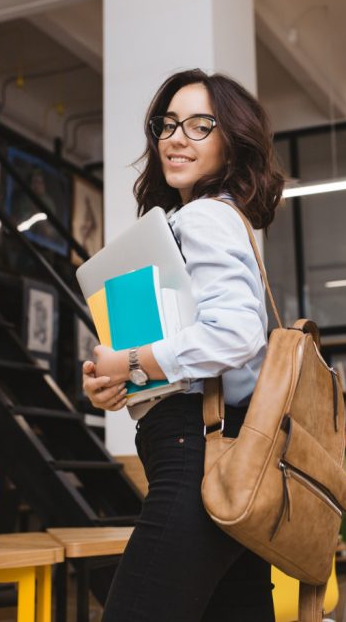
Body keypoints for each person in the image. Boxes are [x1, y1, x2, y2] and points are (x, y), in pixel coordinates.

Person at [81, 68, 285, 621]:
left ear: (232, 141)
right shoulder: (194, 221)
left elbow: (235, 334)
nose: (176, 137)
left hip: (197, 454)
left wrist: (128, 361)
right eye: (168, 124)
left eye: (200, 126)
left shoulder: (204, 217)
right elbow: (195, 351)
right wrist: (120, 383)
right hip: (222, 453)